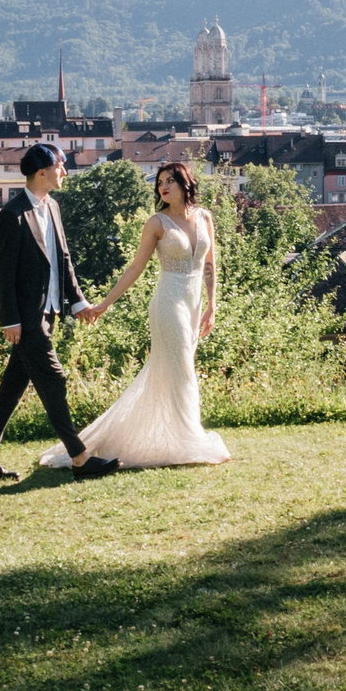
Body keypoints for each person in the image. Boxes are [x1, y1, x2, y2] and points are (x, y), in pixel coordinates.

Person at [39, 160, 231, 469]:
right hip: (169, 303)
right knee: (183, 369)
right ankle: (190, 438)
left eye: (170, 180)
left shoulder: (205, 217)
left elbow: (210, 264)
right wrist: (105, 303)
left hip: (195, 303)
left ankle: (173, 436)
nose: (163, 187)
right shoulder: (157, 223)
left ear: (186, 183)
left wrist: (212, 304)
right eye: (159, 183)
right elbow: (135, 268)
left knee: (176, 370)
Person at [0, 144, 118, 483]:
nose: (64, 171)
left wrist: (79, 303)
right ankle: (80, 458)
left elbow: (63, 260)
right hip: (25, 318)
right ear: (42, 172)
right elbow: (3, 273)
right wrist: (10, 319)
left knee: (13, 385)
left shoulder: (53, 207)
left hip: (48, 312)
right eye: (61, 166)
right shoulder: (12, 215)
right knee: (54, 379)